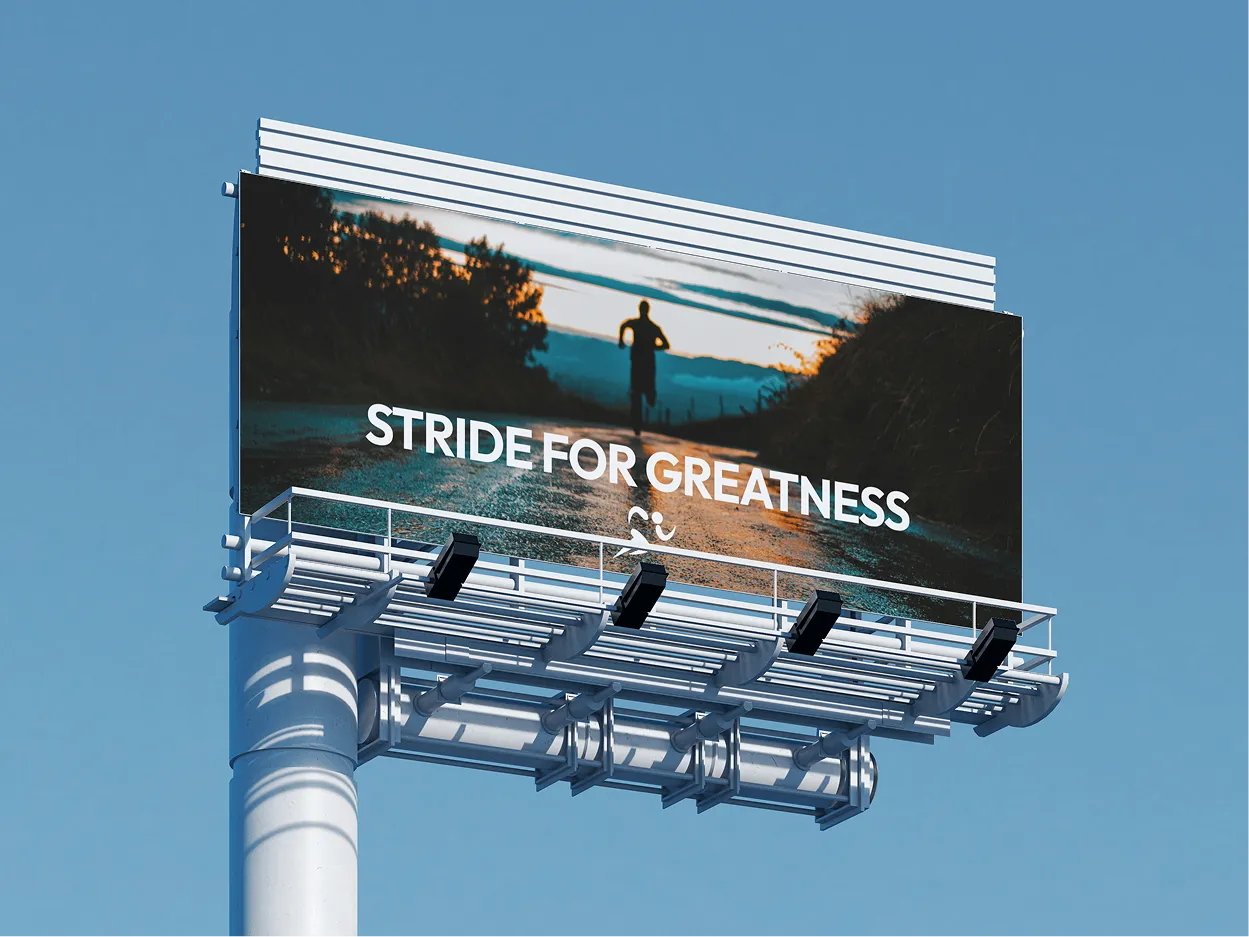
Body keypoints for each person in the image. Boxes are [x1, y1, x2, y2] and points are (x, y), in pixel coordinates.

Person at [618, 300, 670, 435]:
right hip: (644, 362)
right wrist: (653, 347)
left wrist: (621, 340)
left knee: (639, 391)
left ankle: (640, 416)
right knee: (637, 392)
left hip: (641, 362)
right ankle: (637, 423)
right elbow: (665, 344)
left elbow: (624, 325)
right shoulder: (653, 327)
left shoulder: (644, 325)